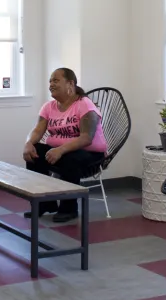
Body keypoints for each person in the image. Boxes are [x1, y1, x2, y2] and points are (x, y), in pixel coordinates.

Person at [22, 68, 107, 222]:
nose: (51, 84)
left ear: (70, 83)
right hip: (61, 151)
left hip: (90, 154)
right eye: (50, 81)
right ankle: (45, 203)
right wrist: (28, 143)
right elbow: (37, 130)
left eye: (55, 80)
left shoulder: (84, 105)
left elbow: (86, 138)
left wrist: (61, 150)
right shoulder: (49, 107)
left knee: (70, 158)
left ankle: (69, 208)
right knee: (34, 154)